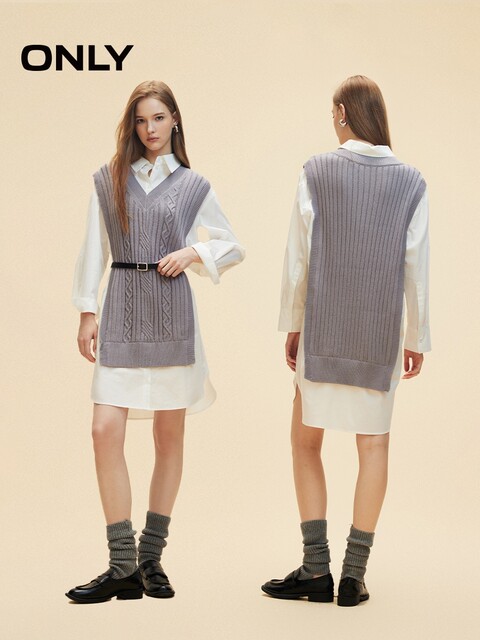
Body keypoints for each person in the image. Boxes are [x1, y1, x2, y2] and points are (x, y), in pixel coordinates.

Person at [66, 80, 245, 604]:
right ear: (133, 125)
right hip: (121, 308)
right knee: (104, 429)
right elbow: (94, 248)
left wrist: (193, 254)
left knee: (169, 437)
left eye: (159, 118)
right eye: (142, 120)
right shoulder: (110, 180)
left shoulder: (193, 184)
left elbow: (232, 245)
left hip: (172, 316)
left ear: (175, 120)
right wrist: (87, 311)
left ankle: (150, 558)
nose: (150, 129)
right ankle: (121, 563)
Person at [261, 76, 430, 607]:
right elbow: (416, 269)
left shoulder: (316, 171)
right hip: (379, 338)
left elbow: (298, 259)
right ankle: (353, 578)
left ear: (341, 112)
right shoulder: (412, 181)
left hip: (324, 332)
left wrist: (293, 323)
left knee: (304, 441)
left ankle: (316, 570)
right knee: (373, 447)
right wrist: (416, 337)